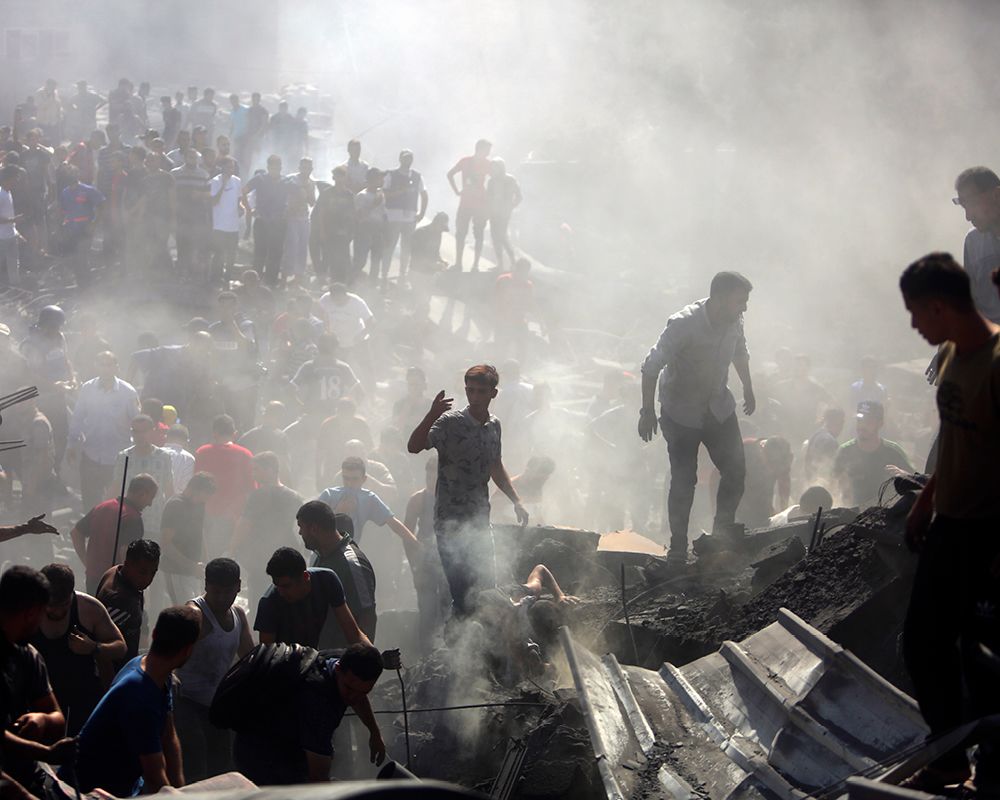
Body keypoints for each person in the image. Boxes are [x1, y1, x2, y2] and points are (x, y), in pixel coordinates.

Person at [900, 252, 1000, 793]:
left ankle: (991, 767)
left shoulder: (997, 361)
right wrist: (925, 500)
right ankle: (951, 756)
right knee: (922, 641)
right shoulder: (951, 354)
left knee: (982, 655)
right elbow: (954, 439)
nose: (915, 325)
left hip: (989, 532)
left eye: (917, 313)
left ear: (940, 306)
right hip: (949, 524)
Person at [638, 271, 755, 566]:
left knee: (736, 469)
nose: (744, 308)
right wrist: (647, 411)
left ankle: (721, 535)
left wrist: (749, 388)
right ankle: (677, 548)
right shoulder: (683, 324)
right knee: (683, 478)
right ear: (718, 298)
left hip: (718, 406)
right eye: (739, 301)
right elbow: (651, 367)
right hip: (681, 413)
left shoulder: (734, 320)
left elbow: (740, 352)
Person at [407, 364, 529, 615]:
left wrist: (516, 500)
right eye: (470, 391)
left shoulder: (494, 426)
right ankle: (457, 646)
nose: (474, 397)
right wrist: (432, 414)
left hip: (480, 521)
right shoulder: (450, 422)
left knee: (486, 589)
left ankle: (484, 646)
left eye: (481, 391)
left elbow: (495, 464)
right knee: (462, 594)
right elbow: (414, 446)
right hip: (450, 522)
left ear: (492, 394)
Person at [67, 606, 200, 796]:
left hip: (125, 788)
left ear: (154, 634)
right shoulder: (139, 694)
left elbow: (169, 738)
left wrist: (180, 790)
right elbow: (155, 779)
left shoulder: (156, 672)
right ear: (188, 650)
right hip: (86, 792)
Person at [231, 643, 386, 785]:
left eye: (363, 692)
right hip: (260, 756)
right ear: (338, 669)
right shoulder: (318, 701)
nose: (353, 698)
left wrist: (374, 731)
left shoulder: (343, 661)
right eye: (349, 689)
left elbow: (358, 696)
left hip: (286, 743)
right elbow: (318, 778)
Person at [0, 567, 77, 799]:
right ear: (31, 613)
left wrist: (41, 720)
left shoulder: (27, 656)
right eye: (43, 613)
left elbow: (56, 718)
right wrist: (46, 753)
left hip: (27, 776)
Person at [174, 559, 253, 783]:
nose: (221, 598)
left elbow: (250, 660)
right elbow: (167, 658)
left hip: (217, 706)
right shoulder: (195, 615)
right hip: (187, 702)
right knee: (195, 765)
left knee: (223, 769)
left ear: (238, 586)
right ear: (206, 585)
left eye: (228, 592)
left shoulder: (238, 615)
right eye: (216, 592)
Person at [33, 563, 126, 734]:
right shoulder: (27, 607)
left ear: (71, 595)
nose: (57, 611)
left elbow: (120, 647)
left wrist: (94, 647)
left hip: (79, 697)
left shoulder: (89, 608)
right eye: (51, 605)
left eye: (64, 604)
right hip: (37, 696)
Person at [253, 546, 373, 650]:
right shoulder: (268, 603)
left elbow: (353, 633)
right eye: (276, 585)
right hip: (281, 666)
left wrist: (372, 656)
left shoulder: (327, 580)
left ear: (305, 576)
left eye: (286, 586)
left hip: (311, 657)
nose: (281, 592)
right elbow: (267, 658)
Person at [67, 350, 140, 512]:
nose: (106, 369)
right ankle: (92, 532)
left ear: (116, 367)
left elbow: (137, 423)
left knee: (118, 502)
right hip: (91, 453)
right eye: (102, 365)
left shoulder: (128, 392)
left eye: (109, 365)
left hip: (118, 457)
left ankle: (114, 533)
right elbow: (78, 417)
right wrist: (71, 444)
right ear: (96, 366)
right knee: (90, 501)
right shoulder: (88, 388)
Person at [230, 452, 304, 609]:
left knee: (260, 604)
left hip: (261, 561)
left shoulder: (258, 496)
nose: (253, 474)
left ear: (270, 469)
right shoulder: (295, 497)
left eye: (256, 470)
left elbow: (244, 525)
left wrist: (231, 549)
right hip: (288, 559)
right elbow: (299, 529)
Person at [296, 501, 377, 646]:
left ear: (314, 528)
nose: (300, 533)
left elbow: (367, 615)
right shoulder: (321, 556)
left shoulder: (351, 563)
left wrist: (361, 660)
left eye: (301, 527)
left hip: (344, 657)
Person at [70, 473, 159, 594]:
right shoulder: (133, 518)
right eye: (151, 498)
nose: (150, 504)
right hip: (115, 584)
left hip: (92, 579)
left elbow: (76, 533)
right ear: (142, 494)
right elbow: (126, 554)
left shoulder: (102, 507)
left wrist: (88, 564)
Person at [317, 456, 419, 548]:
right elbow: (312, 522)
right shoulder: (329, 495)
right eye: (346, 478)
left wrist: (417, 545)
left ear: (364, 479)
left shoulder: (368, 498)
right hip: (323, 550)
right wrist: (337, 512)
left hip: (350, 551)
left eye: (355, 479)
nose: (349, 483)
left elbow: (393, 523)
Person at [403, 456, 449, 644]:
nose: (431, 479)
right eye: (429, 475)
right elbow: (407, 533)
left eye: (436, 475)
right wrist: (414, 562)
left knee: (447, 607)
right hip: (425, 562)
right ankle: (425, 653)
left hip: (447, 561)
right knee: (427, 609)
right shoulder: (418, 499)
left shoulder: (451, 498)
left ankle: (447, 651)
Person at [194, 414, 254, 557]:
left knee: (205, 555)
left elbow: (195, 484)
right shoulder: (245, 454)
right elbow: (252, 488)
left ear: (214, 433)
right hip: (234, 516)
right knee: (228, 556)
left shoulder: (202, 452)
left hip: (205, 512)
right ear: (235, 434)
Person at [833, 401, 913, 508]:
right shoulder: (844, 451)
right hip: (850, 515)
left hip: (884, 516)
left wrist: (905, 475)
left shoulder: (893, 452)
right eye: (859, 420)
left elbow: (915, 483)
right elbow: (831, 484)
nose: (862, 425)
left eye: (868, 421)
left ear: (880, 424)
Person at [96, 538, 162, 665]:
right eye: (143, 572)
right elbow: (104, 648)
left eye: (153, 572)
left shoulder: (116, 570)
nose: (148, 579)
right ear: (128, 563)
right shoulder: (120, 600)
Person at [160, 472, 217, 604]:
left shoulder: (199, 505)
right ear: (193, 489)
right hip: (175, 570)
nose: (204, 501)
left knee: (196, 608)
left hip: (193, 572)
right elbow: (166, 543)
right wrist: (191, 566)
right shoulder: (175, 505)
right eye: (203, 497)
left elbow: (200, 533)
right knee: (183, 610)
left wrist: (207, 563)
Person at [952, 167, 1000, 323]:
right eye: (964, 207)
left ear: (997, 195)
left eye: (972, 204)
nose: (968, 216)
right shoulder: (973, 242)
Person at [447, 139, 492, 271]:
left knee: (477, 234)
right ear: (480, 149)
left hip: (478, 203)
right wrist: (456, 191)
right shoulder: (467, 161)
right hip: (469, 203)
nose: (489, 153)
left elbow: (450, 174)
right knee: (461, 233)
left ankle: (474, 264)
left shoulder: (486, 164)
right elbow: (449, 174)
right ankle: (460, 263)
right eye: (487, 150)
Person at [244, 154, 289, 286]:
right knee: (259, 252)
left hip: (278, 222)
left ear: (281, 167)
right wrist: (249, 209)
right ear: (268, 167)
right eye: (273, 167)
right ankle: (254, 281)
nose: (276, 170)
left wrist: (288, 210)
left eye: (278, 167)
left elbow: (298, 194)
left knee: (276, 253)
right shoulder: (260, 179)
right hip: (262, 220)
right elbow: (244, 191)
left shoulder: (286, 181)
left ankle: (271, 282)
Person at [382, 150, 428, 280]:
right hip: (393, 215)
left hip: (410, 217)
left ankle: (403, 274)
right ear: (400, 159)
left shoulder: (417, 176)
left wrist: (422, 213)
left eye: (410, 158)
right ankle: (384, 274)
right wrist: (399, 191)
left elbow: (424, 195)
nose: (407, 160)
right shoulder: (391, 174)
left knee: (406, 247)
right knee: (389, 246)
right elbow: (384, 193)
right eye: (405, 158)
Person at [58, 164, 104, 286]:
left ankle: (86, 284)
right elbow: (64, 211)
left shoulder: (88, 190)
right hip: (70, 230)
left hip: (85, 229)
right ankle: (81, 283)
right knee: (74, 258)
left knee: (82, 257)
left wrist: (94, 224)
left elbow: (102, 206)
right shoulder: (65, 192)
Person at [736, 436, 793, 530]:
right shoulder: (745, 451)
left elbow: (784, 487)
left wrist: (783, 515)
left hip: (764, 509)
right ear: (762, 454)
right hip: (739, 503)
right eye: (773, 464)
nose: (776, 470)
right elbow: (717, 475)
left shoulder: (783, 458)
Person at [310, 166, 355, 282]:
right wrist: (322, 231)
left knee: (343, 257)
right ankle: (324, 280)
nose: (340, 179)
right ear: (333, 178)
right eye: (337, 176)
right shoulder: (327, 193)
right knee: (328, 256)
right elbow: (321, 213)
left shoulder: (349, 195)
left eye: (342, 176)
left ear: (345, 178)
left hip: (343, 231)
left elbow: (352, 215)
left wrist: (350, 232)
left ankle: (342, 282)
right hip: (329, 230)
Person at [172, 146, 210, 278]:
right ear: (185, 158)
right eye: (190, 157)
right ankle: (182, 271)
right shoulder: (176, 173)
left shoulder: (203, 174)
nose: (192, 160)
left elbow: (209, 193)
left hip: (197, 214)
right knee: (182, 243)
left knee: (196, 244)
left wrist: (200, 194)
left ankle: (195, 273)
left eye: (195, 158)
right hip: (181, 213)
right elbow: (171, 193)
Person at [209, 156, 243, 284]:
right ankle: (215, 279)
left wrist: (241, 209)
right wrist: (223, 185)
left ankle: (227, 279)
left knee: (231, 255)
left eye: (233, 167)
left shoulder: (237, 181)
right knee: (218, 254)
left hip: (233, 225)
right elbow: (213, 202)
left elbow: (238, 200)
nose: (231, 169)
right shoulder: (214, 181)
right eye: (229, 167)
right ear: (222, 167)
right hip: (219, 225)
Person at [353, 167, 388, 287]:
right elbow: (358, 216)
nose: (382, 180)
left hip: (378, 231)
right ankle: (351, 283)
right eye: (379, 178)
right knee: (360, 260)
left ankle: (372, 287)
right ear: (372, 179)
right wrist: (373, 205)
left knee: (376, 260)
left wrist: (384, 230)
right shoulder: (362, 195)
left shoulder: (380, 194)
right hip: (364, 230)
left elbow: (383, 213)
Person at [486, 157, 522, 270]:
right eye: (492, 167)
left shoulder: (510, 179)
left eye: (495, 167)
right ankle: (500, 264)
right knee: (495, 237)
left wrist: (511, 206)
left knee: (501, 236)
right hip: (493, 213)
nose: (493, 170)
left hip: (504, 214)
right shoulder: (491, 181)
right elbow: (488, 197)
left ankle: (513, 261)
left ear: (501, 168)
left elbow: (519, 196)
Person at [804, 407, 845, 483]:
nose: (842, 427)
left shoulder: (816, 435)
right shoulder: (830, 441)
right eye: (841, 423)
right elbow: (829, 471)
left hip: (811, 484)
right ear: (834, 422)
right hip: (821, 487)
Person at [0, 165, 22, 286]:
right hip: (1, 238)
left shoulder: (8, 193)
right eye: (15, 177)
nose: (17, 180)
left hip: (11, 236)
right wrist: (13, 219)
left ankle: (16, 288)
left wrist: (16, 232)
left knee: (14, 264)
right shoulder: (0, 194)